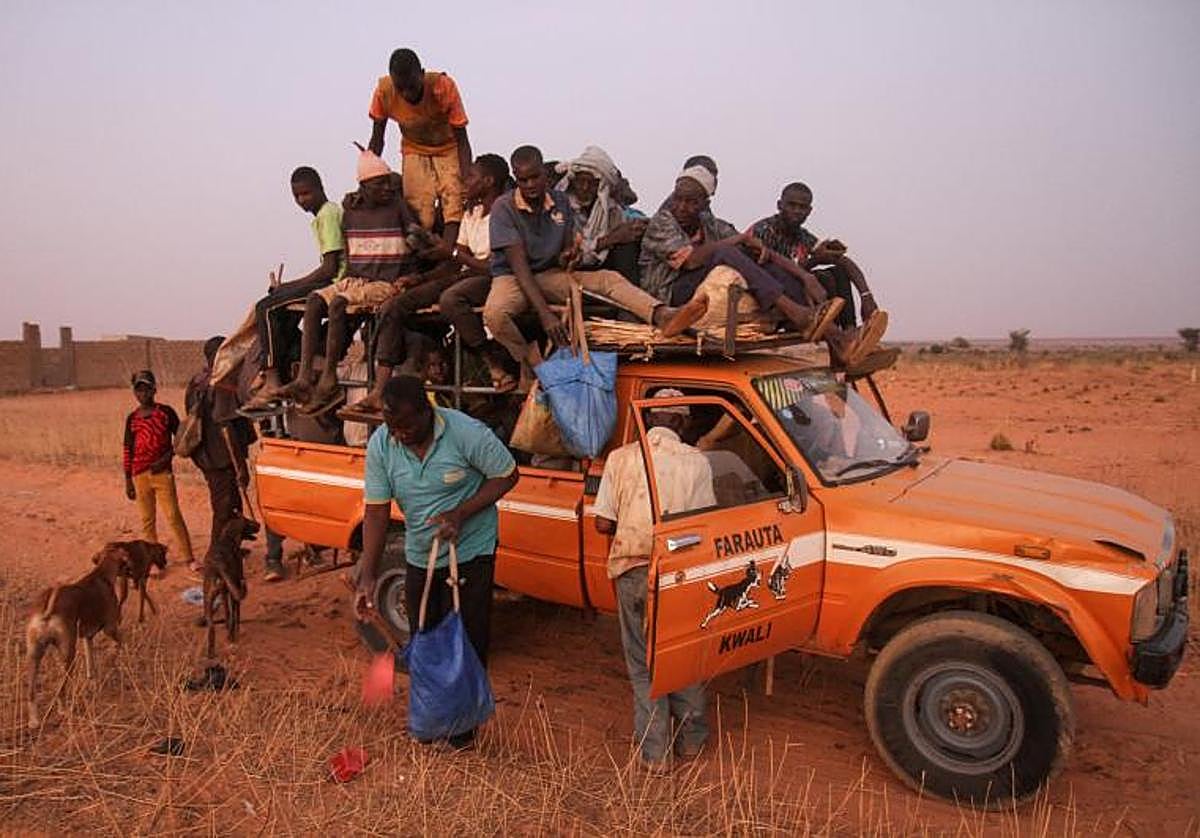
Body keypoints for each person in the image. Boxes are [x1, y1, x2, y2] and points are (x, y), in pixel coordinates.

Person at [354, 376, 518, 748]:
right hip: (420, 554)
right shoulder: (382, 445)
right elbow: (376, 512)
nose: (400, 435)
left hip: (470, 552)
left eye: (407, 427)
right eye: (393, 427)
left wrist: (461, 512)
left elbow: (508, 475)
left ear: (427, 412)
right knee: (425, 639)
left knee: (466, 640)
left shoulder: (465, 433)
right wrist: (368, 577)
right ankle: (431, 721)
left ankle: (462, 732)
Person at [482, 145, 682, 388]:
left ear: (544, 174)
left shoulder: (560, 202)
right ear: (516, 178)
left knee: (608, 279)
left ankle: (661, 314)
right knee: (494, 314)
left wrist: (570, 256)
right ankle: (528, 357)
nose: (530, 185)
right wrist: (546, 315)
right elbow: (520, 267)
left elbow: (565, 251)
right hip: (513, 276)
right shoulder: (503, 207)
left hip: (548, 274)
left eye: (535, 177)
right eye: (523, 180)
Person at [593, 389, 716, 770]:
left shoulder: (620, 458)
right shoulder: (697, 461)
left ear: (649, 420)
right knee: (682, 657)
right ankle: (692, 742)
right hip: (678, 574)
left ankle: (655, 754)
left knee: (641, 663)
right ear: (680, 421)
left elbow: (602, 523)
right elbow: (704, 525)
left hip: (632, 570)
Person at [348, 153, 516, 413]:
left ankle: (491, 361)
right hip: (466, 274)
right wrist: (419, 279)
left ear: (488, 181)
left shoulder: (505, 212)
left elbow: (491, 265)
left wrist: (452, 253)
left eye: (471, 176)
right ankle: (379, 391)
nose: (465, 181)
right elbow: (455, 261)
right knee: (396, 304)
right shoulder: (472, 213)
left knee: (451, 299)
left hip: (492, 277)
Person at [278, 149, 420, 415]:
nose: (387, 188)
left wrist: (411, 275)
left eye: (388, 182)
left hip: (384, 281)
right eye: (380, 184)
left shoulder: (398, 207)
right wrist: (345, 280)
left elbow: (416, 244)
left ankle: (329, 377)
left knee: (339, 304)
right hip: (357, 278)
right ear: (364, 187)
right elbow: (350, 250)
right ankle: (305, 376)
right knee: (314, 301)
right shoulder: (352, 212)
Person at [243, 168, 346, 411]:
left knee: (265, 308)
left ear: (320, 188)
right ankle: (289, 368)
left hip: (335, 283)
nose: (301, 200)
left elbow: (329, 269)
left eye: (306, 193)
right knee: (280, 311)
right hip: (331, 280)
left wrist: (287, 286)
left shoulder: (328, 214)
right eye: (297, 196)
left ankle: (271, 379)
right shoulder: (322, 216)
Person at [367, 47, 471, 242]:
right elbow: (377, 138)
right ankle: (424, 250)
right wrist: (368, 174)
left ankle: (449, 250)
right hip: (414, 149)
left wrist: (467, 178)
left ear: (422, 74)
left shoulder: (443, 87)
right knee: (419, 209)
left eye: (412, 87)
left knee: (454, 202)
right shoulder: (384, 92)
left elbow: (462, 139)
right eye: (400, 88)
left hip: (449, 148)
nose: (407, 94)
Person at [751, 182, 881, 332]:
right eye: (791, 205)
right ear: (780, 205)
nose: (796, 211)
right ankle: (836, 334)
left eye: (802, 207)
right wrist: (815, 261)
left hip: (797, 293)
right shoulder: (763, 231)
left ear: (809, 211)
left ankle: (849, 329)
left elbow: (844, 262)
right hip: (773, 298)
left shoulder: (803, 236)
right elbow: (769, 275)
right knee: (824, 279)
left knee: (839, 272)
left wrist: (866, 296)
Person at [186, 337, 264, 573]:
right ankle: (215, 555)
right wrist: (241, 468)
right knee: (224, 507)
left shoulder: (196, 381)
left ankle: (230, 547)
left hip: (204, 455)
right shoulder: (221, 384)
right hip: (221, 458)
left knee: (230, 504)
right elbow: (226, 429)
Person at [123, 370, 196, 573]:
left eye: (147, 389)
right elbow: (127, 449)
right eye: (139, 390)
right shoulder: (132, 419)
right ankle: (153, 561)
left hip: (162, 474)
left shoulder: (165, 413)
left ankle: (188, 557)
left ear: (154, 390)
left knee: (173, 515)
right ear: (134, 393)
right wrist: (128, 480)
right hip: (139, 474)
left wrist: (166, 458)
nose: (143, 394)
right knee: (147, 519)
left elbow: (180, 438)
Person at [556, 146, 646, 282]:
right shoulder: (561, 207)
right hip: (571, 269)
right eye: (581, 181)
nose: (585, 188)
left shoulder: (612, 211)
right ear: (573, 181)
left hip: (602, 266)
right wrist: (610, 239)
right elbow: (569, 252)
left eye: (592, 183)